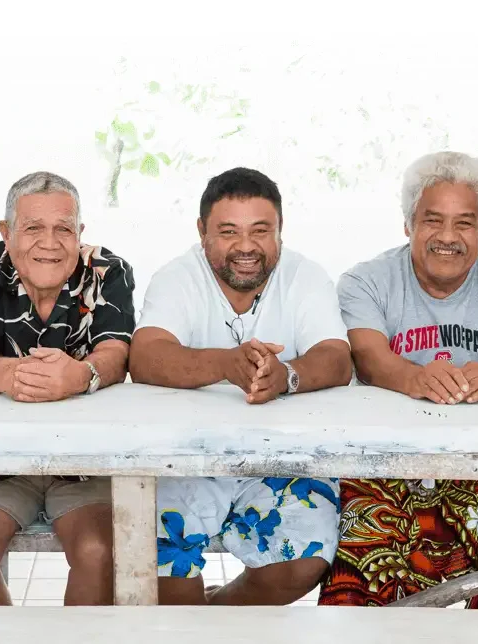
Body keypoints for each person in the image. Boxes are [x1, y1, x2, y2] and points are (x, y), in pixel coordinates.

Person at [322, 151, 478, 608]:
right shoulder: (365, 281)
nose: (448, 237)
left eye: (465, 223)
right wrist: (415, 378)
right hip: (385, 463)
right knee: (365, 564)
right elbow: (369, 358)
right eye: (433, 220)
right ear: (408, 224)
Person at [128, 167, 353, 605]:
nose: (245, 246)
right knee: (162, 547)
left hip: (284, 461)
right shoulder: (178, 276)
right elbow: (145, 356)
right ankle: (185, 630)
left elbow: (337, 357)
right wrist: (226, 364)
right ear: (202, 232)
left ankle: (216, 615)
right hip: (184, 459)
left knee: (306, 558)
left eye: (260, 231)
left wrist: (286, 376)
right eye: (228, 231)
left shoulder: (305, 276)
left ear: (280, 232)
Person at [0, 171, 133, 606]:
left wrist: (80, 376)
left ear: (80, 233)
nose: (50, 242)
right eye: (32, 228)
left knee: (101, 551)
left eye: (63, 228)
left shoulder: (108, 271)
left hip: (89, 459)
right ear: (6, 233)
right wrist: (5, 374)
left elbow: (116, 352)